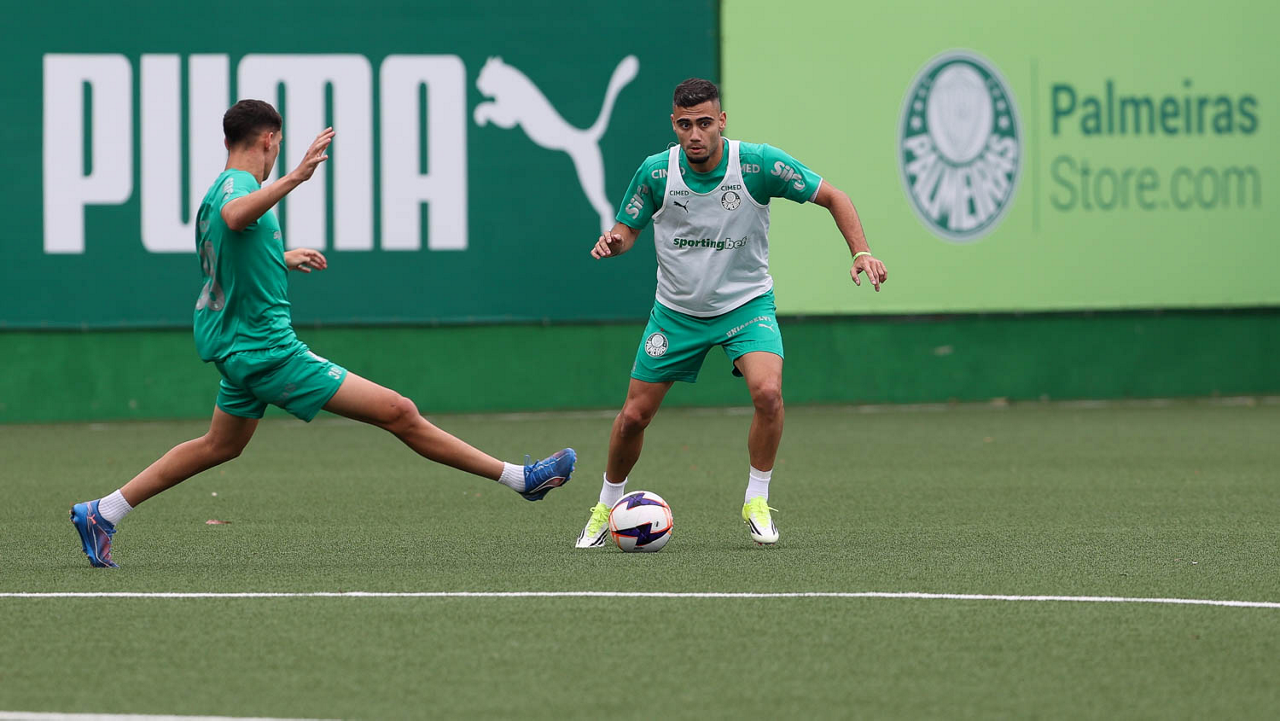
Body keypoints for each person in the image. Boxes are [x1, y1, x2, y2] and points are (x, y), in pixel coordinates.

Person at [70, 99, 575, 568]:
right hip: (268, 351)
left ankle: (103, 511)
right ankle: (521, 480)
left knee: (218, 446)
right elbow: (235, 216)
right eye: (280, 147)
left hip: (240, 348)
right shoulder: (235, 191)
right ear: (269, 140)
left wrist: (280, 259)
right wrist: (297, 176)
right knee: (399, 411)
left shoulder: (214, 192)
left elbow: (227, 259)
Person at [574, 78, 887, 548]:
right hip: (676, 312)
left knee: (768, 393)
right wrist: (615, 242)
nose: (695, 133)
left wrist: (861, 252)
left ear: (721, 121)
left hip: (745, 304)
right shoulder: (656, 173)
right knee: (634, 417)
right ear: (674, 126)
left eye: (704, 122)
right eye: (685, 124)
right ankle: (605, 506)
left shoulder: (758, 164)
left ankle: (756, 499)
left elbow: (834, 197)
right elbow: (627, 230)